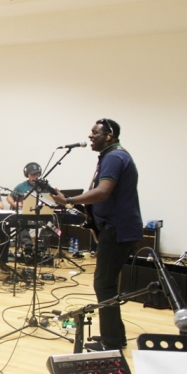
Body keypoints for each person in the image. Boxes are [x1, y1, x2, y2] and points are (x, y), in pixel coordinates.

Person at [51, 118, 142, 352]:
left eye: (95, 133)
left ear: (109, 135)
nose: (90, 136)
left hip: (117, 230)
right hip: (116, 228)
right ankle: (115, 337)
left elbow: (102, 193)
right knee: (107, 284)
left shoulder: (114, 157)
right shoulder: (114, 156)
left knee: (104, 285)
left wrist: (69, 200)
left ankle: (111, 342)